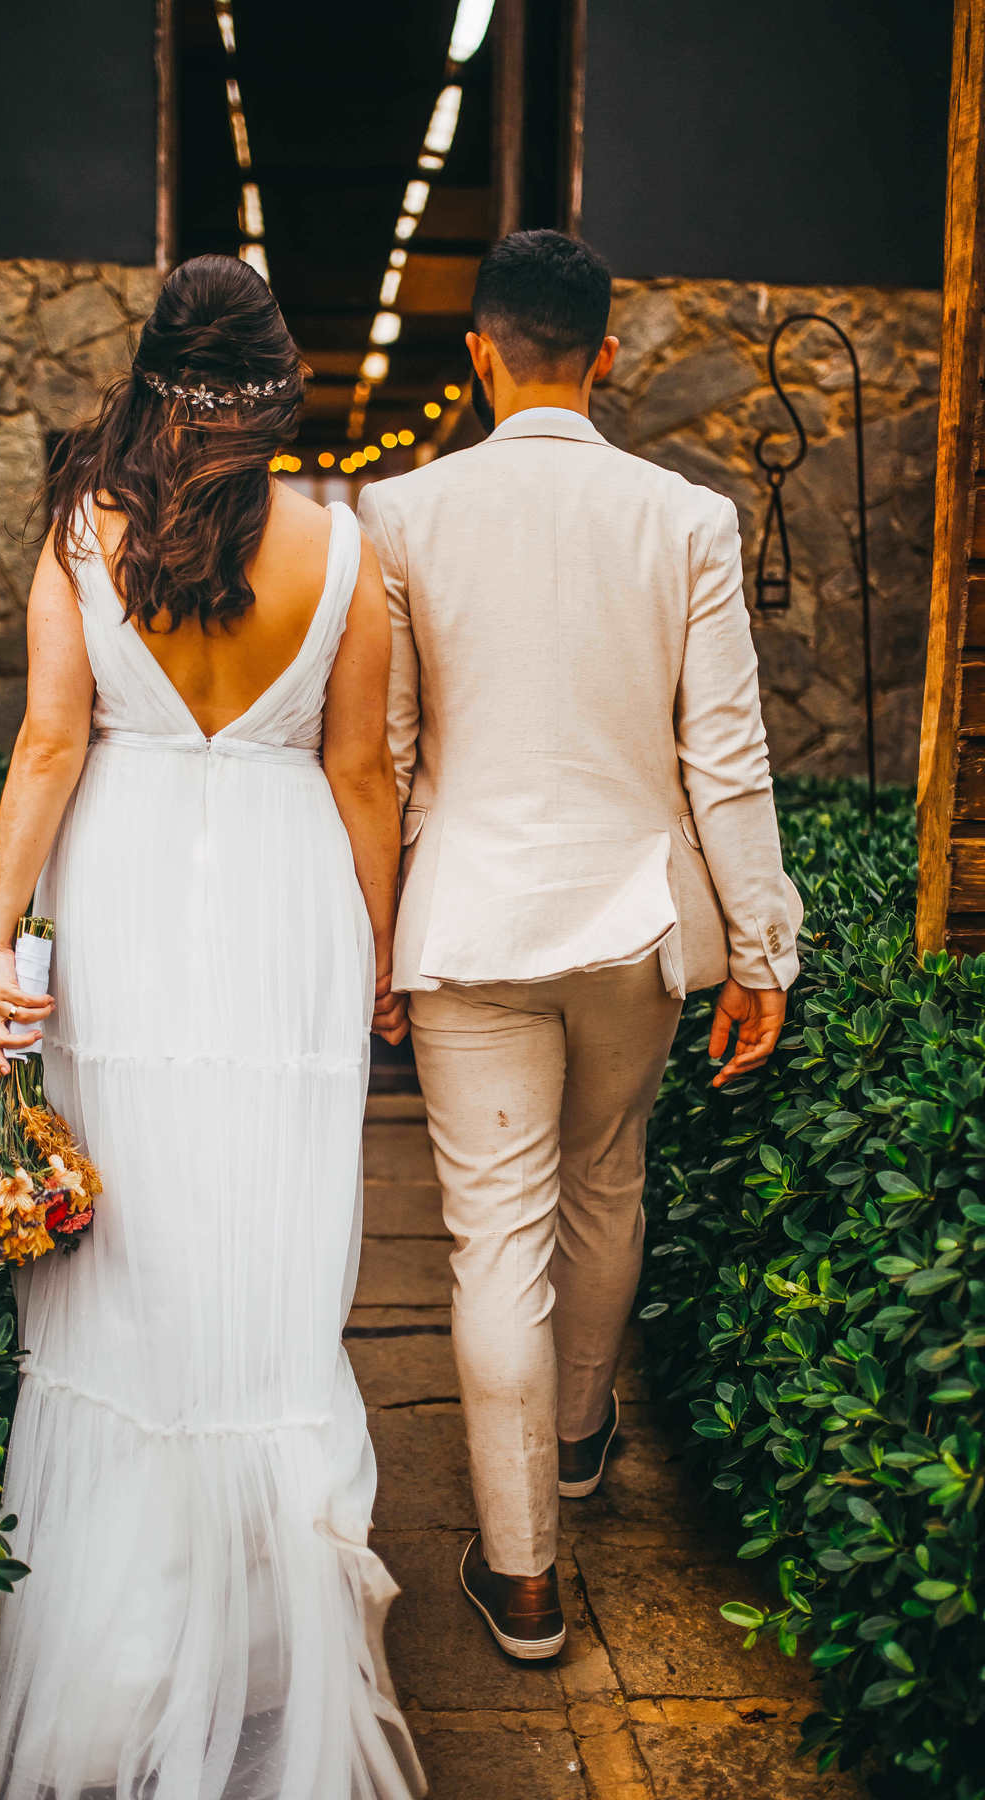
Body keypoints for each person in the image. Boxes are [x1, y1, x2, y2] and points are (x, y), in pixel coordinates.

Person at [0, 255, 424, 1799]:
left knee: (133, 1255)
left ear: (156, 379)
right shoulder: (344, 549)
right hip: (288, 918)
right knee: (265, 1248)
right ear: (282, 392)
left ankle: (122, 1633)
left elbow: (48, 742)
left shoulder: (86, 530)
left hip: (135, 897)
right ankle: (266, 1627)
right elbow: (364, 775)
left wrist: (2, 927)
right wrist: (377, 956)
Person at [358, 228, 802, 1662]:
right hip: (637, 921)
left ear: (478, 352)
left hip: (472, 917)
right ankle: (579, 1435)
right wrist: (761, 950)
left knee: (494, 1243)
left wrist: (381, 939)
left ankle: (523, 1572)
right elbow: (726, 759)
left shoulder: (401, 515)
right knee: (609, 1180)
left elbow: (396, 755)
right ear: (605, 358)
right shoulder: (685, 520)